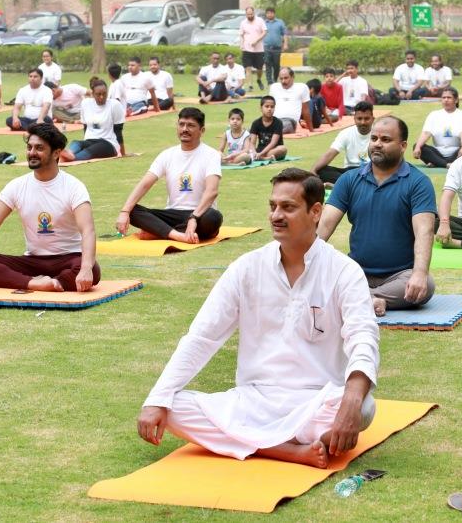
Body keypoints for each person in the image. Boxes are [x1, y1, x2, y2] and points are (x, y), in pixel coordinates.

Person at [137, 167, 379, 469]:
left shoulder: (343, 271)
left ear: (315, 211)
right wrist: (157, 399)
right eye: (273, 206)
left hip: (313, 402)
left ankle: (257, 440)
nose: (277, 215)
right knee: (172, 405)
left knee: (363, 406)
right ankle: (284, 449)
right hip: (253, 401)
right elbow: (202, 336)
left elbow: (363, 338)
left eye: (288, 207)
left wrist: (351, 403)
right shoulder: (247, 268)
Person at [0, 123, 100, 293]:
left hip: (69, 258)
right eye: (29, 147)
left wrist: (86, 268)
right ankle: (35, 284)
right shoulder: (17, 186)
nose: (32, 153)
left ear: (56, 152)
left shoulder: (74, 186)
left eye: (39, 148)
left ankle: (53, 282)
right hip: (32, 262)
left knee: (92, 269)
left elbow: (88, 230)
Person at [318, 115, 437, 317]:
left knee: (425, 284)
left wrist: (419, 273)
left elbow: (424, 231)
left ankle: (357, 298)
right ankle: (370, 299)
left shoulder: (419, 183)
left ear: (403, 145)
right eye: (374, 139)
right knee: (321, 275)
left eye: (386, 140)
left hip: (400, 275)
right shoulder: (348, 179)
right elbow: (323, 227)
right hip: (356, 272)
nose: (377, 144)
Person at [115, 107, 223, 244]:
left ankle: (160, 231)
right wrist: (124, 211)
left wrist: (193, 218)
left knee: (214, 218)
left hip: (200, 214)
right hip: (173, 213)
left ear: (202, 131)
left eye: (190, 125)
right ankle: (179, 235)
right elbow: (144, 184)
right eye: (181, 124)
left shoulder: (211, 155)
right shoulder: (167, 155)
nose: (185, 129)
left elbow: (212, 191)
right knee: (132, 209)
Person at [310, 101, 374, 185]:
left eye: (366, 119)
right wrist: (312, 171)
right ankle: (350, 185)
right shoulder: (346, 133)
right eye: (359, 118)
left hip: (370, 171)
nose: (363, 122)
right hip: (349, 172)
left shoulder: (378, 133)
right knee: (321, 170)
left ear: (373, 119)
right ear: (354, 119)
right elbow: (330, 153)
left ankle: (343, 185)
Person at [61, 79, 123, 162]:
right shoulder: (86, 103)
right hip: (90, 140)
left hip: (108, 143)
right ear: (92, 94)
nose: (102, 97)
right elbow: (85, 126)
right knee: (76, 143)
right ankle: (69, 153)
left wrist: (123, 152)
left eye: (104, 94)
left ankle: (72, 157)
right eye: (98, 94)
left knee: (95, 149)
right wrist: (85, 141)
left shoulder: (114, 105)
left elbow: (118, 130)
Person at [413, 87, 462, 168]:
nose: (446, 100)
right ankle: (446, 164)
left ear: (456, 100)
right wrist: (417, 147)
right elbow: (426, 133)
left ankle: (436, 162)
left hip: (456, 152)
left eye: (449, 98)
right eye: (443, 98)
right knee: (418, 146)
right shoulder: (434, 115)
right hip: (437, 152)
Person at [270, 67, 311, 133]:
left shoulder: (302, 87)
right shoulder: (274, 87)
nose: (283, 81)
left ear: (292, 77)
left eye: (286, 78)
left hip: (290, 122)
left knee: (283, 126)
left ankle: (269, 132)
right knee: (254, 126)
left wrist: (311, 129)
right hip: (274, 120)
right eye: (281, 79)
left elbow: (306, 110)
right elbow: (269, 107)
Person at [250, 96, 287, 162]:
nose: (269, 109)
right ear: (261, 108)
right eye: (267, 106)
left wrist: (261, 153)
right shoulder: (255, 123)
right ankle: (264, 158)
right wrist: (254, 152)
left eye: (272, 107)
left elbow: (273, 142)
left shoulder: (278, 122)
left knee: (283, 149)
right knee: (247, 151)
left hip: (273, 149)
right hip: (260, 150)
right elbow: (252, 143)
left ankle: (261, 157)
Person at [238, 6, 266, 91]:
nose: (250, 16)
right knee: (248, 68)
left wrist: (257, 40)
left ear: (254, 13)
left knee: (259, 68)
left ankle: (259, 79)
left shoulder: (260, 21)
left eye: (251, 14)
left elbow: (265, 32)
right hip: (247, 49)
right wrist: (242, 45)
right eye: (248, 14)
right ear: (246, 14)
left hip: (259, 49)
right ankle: (250, 85)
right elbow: (242, 35)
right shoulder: (243, 23)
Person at [262, 7, 288, 85]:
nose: (269, 14)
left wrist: (285, 44)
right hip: (266, 47)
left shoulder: (280, 22)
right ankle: (269, 81)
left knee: (276, 65)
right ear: (266, 14)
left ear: (274, 13)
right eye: (268, 13)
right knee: (267, 64)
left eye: (271, 13)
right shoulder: (263, 23)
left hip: (277, 48)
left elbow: (284, 34)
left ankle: (275, 79)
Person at [106, 64, 127, 156]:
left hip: (117, 112)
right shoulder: (113, 83)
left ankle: (122, 152)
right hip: (112, 111)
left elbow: (117, 99)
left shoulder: (118, 84)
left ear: (109, 74)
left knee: (117, 132)